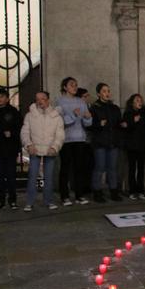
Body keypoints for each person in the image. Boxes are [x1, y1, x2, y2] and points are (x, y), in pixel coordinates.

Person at [21, 91, 65, 211]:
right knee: (32, 176)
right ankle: (29, 202)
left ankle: (49, 201)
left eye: (43, 99)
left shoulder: (56, 116)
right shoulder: (30, 115)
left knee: (49, 177)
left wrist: (55, 147)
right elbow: (25, 132)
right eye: (38, 99)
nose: (40, 101)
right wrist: (29, 145)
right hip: (35, 150)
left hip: (50, 150)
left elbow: (60, 134)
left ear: (48, 100)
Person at [55, 77, 92, 206]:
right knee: (65, 168)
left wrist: (88, 118)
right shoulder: (59, 102)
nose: (75, 87)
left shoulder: (81, 102)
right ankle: (64, 196)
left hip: (80, 138)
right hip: (66, 140)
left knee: (79, 168)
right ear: (65, 87)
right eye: (71, 85)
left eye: (76, 85)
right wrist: (73, 115)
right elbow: (61, 122)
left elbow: (87, 122)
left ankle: (79, 195)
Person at [89, 83, 123, 202]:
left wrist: (122, 124)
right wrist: (98, 124)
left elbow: (118, 123)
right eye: (104, 91)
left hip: (113, 142)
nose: (107, 93)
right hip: (100, 142)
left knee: (112, 168)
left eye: (108, 91)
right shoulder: (94, 108)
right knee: (99, 167)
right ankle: (97, 192)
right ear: (98, 94)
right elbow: (89, 125)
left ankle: (113, 191)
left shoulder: (114, 108)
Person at [121, 93, 145, 200]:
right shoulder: (128, 114)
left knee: (141, 169)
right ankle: (132, 191)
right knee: (132, 168)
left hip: (142, 145)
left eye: (141, 100)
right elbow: (125, 127)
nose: (140, 102)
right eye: (137, 100)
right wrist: (133, 121)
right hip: (131, 145)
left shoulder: (144, 114)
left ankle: (140, 190)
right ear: (132, 102)